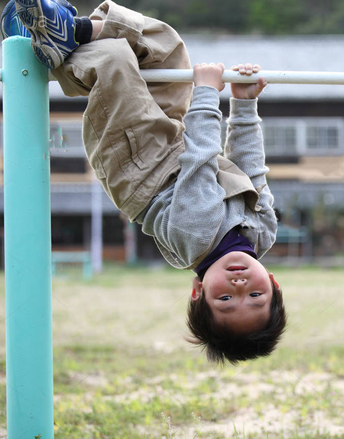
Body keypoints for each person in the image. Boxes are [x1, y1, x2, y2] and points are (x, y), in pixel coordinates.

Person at [2, 0, 286, 364]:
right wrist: (245, 104)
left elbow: (201, 161)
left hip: (137, 162)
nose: (240, 287)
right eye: (257, 297)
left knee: (115, 62)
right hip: (175, 139)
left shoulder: (195, 237)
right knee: (168, 50)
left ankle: (37, 46)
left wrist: (206, 93)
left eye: (225, 300)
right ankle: (70, 32)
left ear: (198, 291)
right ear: (274, 283)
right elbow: (251, 167)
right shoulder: (263, 230)